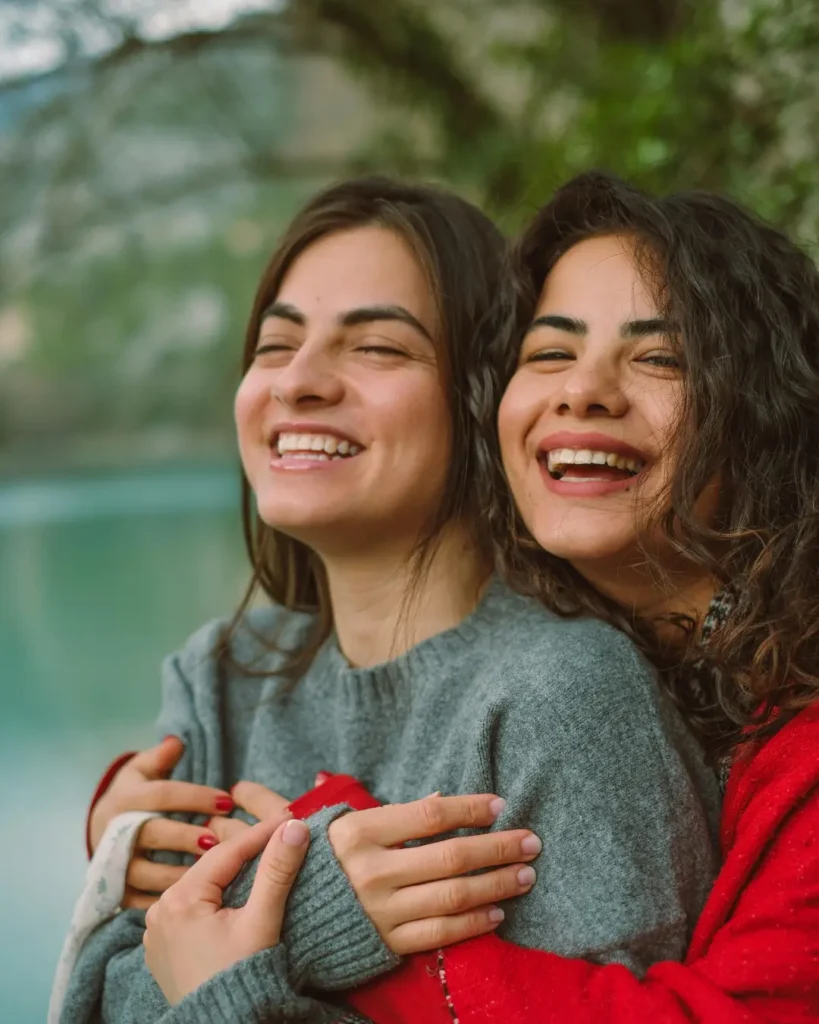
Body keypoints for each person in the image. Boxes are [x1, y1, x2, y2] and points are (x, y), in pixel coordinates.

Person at [90, 171, 819, 1023]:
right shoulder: (219, 673)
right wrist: (120, 847)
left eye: (659, 356)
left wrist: (285, 919)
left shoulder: (582, 690)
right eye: (548, 352)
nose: (580, 391)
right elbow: (106, 989)